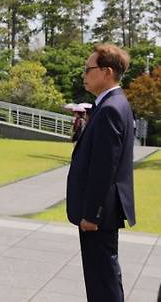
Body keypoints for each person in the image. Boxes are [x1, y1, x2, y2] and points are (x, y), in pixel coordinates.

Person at [66, 43, 135, 302]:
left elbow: (104, 169)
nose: (84, 74)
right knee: (102, 277)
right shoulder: (112, 104)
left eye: (88, 69)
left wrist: (91, 214)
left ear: (106, 72)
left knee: (102, 280)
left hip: (98, 215)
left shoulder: (109, 109)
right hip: (101, 212)